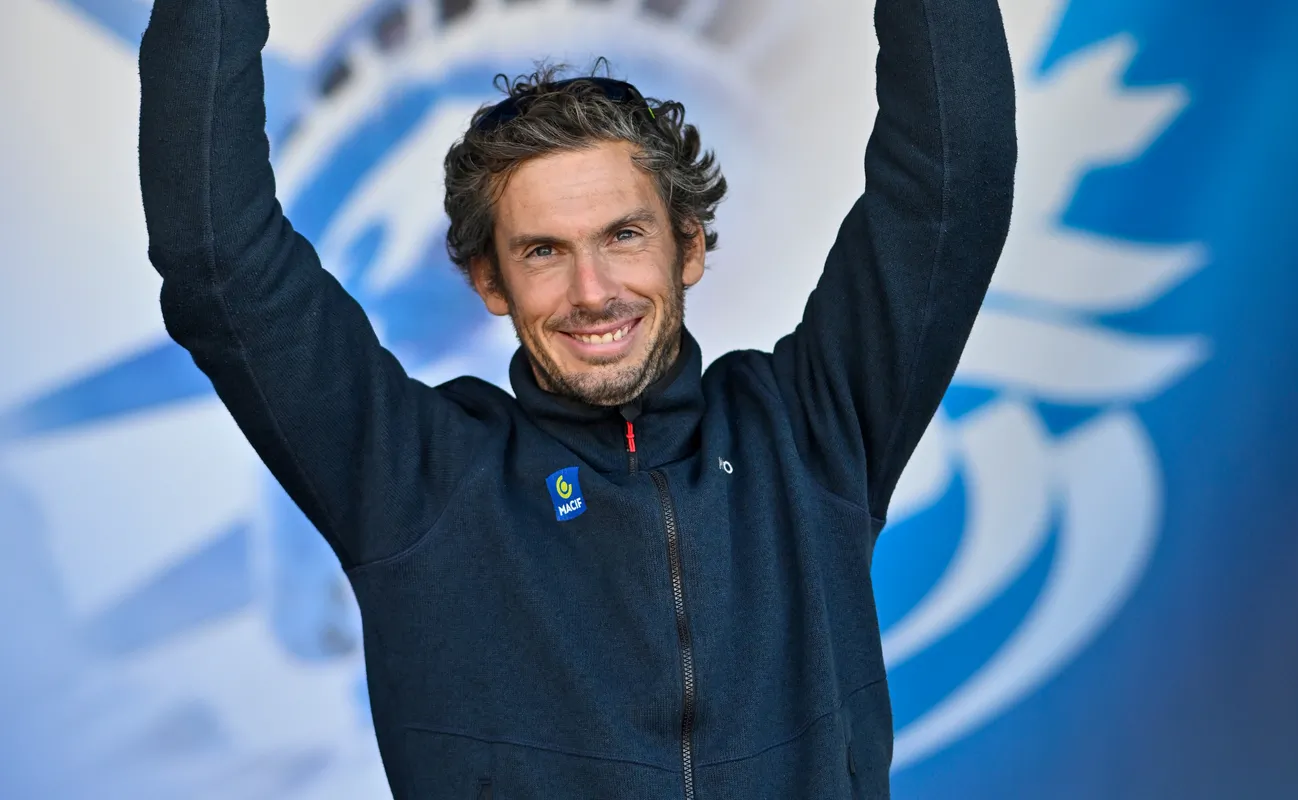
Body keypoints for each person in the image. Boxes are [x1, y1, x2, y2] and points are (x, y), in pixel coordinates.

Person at [136, 0, 1015, 795]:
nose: (592, 291)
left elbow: (953, 176)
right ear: (490, 281)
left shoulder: (812, 432)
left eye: (624, 236)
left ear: (690, 247)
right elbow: (219, 259)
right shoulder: (417, 480)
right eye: (544, 252)